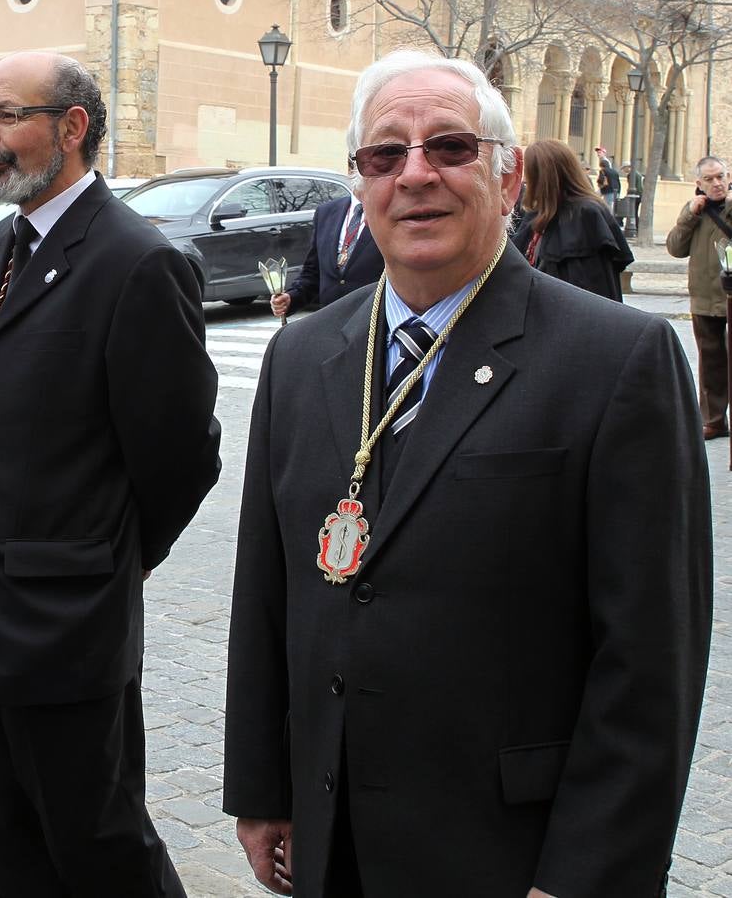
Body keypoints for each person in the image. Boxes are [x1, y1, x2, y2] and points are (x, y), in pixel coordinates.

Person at [225, 49, 711, 898]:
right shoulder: (301, 356)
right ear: (360, 182)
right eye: (385, 154)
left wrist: (585, 875)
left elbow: (650, 661)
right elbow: (267, 591)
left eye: (449, 147)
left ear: (509, 173)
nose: (415, 174)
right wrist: (264, 786)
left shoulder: (618, 360)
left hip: (506, 850)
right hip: (333, 838)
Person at [0, 52, 222, 897]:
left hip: (65, 622)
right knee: (12, 845)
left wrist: (112, 557)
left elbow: (181, 455)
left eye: (7, 116)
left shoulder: (136, 261)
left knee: (100, 847)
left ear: (73, 126)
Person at [513, 139, 633, 301]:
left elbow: (592, 284)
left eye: (529, 173)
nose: (525, 180)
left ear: (542, 176)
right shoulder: (538, 213)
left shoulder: (586, 214)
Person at [667, 156, 732, 440]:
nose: (717, 183)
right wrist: (689, 215)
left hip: (728, 296)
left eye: (721, 176)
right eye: (710, 179)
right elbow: (675, 248)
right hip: (705, 299)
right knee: (710, 362)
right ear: (699, 183)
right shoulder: (695, 211)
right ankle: (714, 420)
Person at [270, 184, 384, 317]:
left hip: (371, 320)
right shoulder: (326, 212)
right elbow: (313, 272)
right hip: (331, 319)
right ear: (350, 168)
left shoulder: (386, 212)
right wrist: (291, 298)